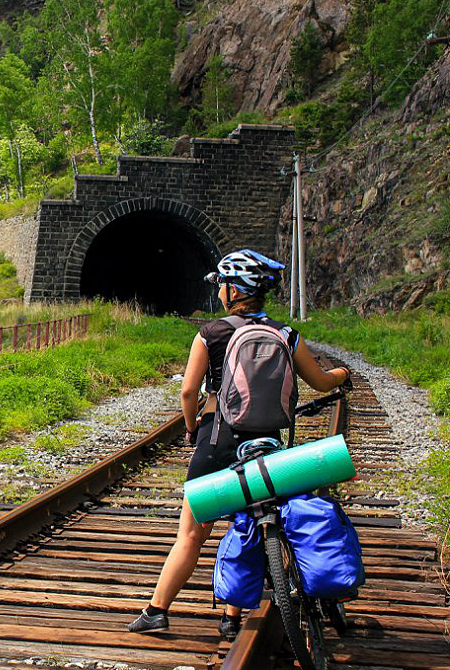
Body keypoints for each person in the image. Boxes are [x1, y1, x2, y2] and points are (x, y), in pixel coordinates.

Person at [127, 249, 351, 637]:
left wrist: (192, 426)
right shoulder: (285, 334)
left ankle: (157, 610)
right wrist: (341, 374)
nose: (219, 292)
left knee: (193, 534)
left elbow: (187, 391)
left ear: (232, 290)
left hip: (218, 442)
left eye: (221, 286)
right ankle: (231, 617)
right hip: (266, 448)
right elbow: (319, 381)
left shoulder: (210, 333)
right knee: (253, 523)